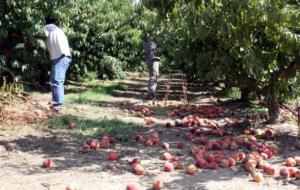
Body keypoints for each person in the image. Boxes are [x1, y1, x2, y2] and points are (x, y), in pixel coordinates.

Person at [44, 17, 71, 112]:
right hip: (63, 58)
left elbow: (41, 37)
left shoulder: (48, 27)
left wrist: (24, 44)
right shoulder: (58, 30)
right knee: (54, 81)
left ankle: (59, 105)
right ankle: (57, 104)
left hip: (60, 57)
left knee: (56, 80)